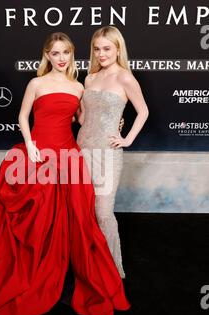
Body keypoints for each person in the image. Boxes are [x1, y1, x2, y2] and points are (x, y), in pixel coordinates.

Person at [0, 32, 130, 315]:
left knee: (70, 214)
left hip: (67, 155)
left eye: (65, 53)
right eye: (55, 53)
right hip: (38, 153)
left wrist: (117, 124)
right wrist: (31, 144)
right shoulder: (36, 83)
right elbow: (23, 116)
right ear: (47, 55)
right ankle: (28, 263)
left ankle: (61, 262)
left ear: (71, 55)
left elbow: (84, 119)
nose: (61, 58)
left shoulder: (78, 86)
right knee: (27, 213)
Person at [77, 26, 149, 278]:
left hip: (108, 153)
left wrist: (126, 138)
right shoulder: (90, 78)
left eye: (106, 48)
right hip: (82, 149)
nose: (101, 54)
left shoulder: (125, 78)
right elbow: (84, 117)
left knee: (103, 212)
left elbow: (143, 111)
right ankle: (87, 263)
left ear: (118, 49)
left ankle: (111, 269)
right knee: (83, 210)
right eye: (96, 49)